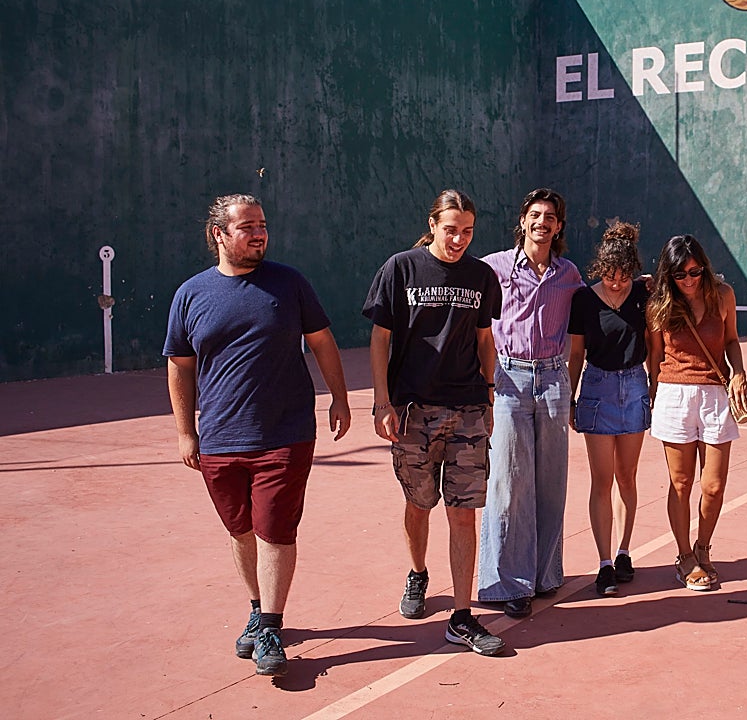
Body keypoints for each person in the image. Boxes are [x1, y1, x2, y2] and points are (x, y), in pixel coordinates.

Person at [164, 194, 351, 678]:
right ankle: (256, 606)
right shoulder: (191, 294)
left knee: (274, 529)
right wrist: (187, 433)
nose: (259, 234)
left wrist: (340, 397)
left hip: (285, 433)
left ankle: (271, 623)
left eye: (263, 225)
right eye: (247, 227)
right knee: (241, 529)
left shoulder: (289, 284)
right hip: (221, 439)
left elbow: (322, 341)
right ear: (219, 235)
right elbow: (180, 368)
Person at [362, 189, 505, 656]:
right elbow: (380, 339)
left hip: (466, 409)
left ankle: (462, 617)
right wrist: (382, 400)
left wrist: (487, 394)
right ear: (433, 224)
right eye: (451, 229)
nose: (459, 239)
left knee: (463, 513)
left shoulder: (482, 276)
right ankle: (418, 573)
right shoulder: (400, 268)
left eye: (467, 231)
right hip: (412, 413)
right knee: (419, 504)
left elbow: (486, 339)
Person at [477, 188, 584, 618]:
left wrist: (639, 286)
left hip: (555, 380)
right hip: (508, 379)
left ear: (558, 226)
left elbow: (599, 298)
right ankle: (505, 582)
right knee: (507, 482)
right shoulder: (493, 267)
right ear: (522, 221)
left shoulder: (569, 274)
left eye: (551, 217)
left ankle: (544, 577)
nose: (543, 222)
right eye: (535, 215)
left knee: (550, 482)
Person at [646, 234, 747, 592]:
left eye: (695, 271)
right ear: (669, 275)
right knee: (681, 483)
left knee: (714, 485)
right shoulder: (659, 304)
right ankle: (684, 556)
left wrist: (738, 372)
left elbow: (732, 340)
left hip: (714, 395)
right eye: (680, 274)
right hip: (674, 395)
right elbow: (655, 356)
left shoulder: (723, 296)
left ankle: (703, 548)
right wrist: (653, 395)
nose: (689, 280)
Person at [566, 221, 650, 597]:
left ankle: (623, 552)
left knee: (627, 476)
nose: (617, 283)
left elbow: (655, 343)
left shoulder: (645, 294)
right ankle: (603, 564)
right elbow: (575, 354)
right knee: (601, 480)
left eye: (623, 276)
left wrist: (656, 387)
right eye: (610, 276)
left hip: (635, 387)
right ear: (600, 269)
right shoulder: (583, 300)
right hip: (597, 388)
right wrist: (569, 397)